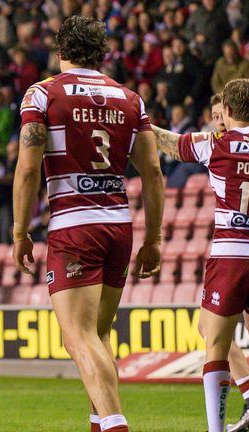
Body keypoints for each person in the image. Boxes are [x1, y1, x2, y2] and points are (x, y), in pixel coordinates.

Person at [12, 16, 164, 432]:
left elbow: (28, 169)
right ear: (102, 53)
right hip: (119, 224)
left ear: (61, 50)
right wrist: (154, 238)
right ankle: (101, 424)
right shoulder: (130, 98)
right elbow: (152, 172)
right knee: (98, 335)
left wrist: (20, 231)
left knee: (77, 337)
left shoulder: (43, 94)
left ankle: (115, 425)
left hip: (74, 224)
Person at [152, 78, 249, 432]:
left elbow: (171, 144)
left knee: (215, 342)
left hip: (231, 253)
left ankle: (217, 428)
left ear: (227, 111)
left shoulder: (217, 143)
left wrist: (139, 122)